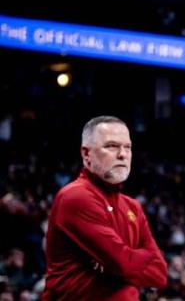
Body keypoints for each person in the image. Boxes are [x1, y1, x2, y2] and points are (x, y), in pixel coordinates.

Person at [42, 116, 167, 300]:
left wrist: (110, 263)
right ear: (86, 154)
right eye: (111, 146)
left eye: (128, 147)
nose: (123, 154)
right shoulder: (75, 197)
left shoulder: (133, 207)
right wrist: (128, 262)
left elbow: (160, 274)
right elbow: (122, 263)